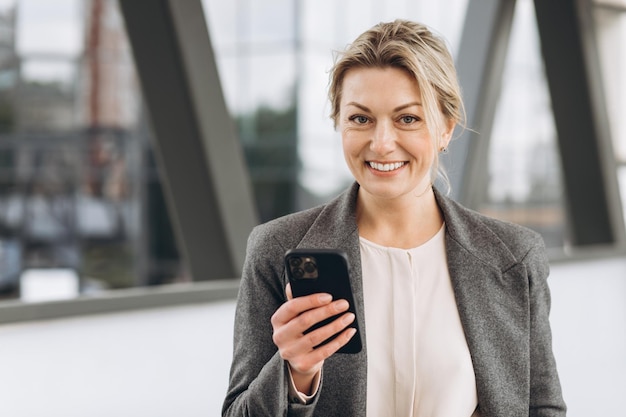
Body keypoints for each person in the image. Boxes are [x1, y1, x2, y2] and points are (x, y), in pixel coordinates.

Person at [222, 19, 566, 417]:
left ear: (445, 129)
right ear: (339, 123)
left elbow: (542, 407)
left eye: (407, 119)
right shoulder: (277, 248)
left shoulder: (515, 257)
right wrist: (295, 374)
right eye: (360, 118)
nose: (381, 143)